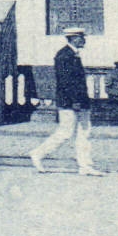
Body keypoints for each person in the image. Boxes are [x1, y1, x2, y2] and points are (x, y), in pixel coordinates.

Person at [30, 27, 107, 175]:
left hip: (79, 101)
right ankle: (38, 154)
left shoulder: (73, 54)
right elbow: (66, 82)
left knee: (84, 132)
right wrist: (75, 101)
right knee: (66, 132)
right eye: (81, 37)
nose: (84, 40)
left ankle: (85, 165)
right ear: (74, 38)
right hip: (70, 102)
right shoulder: (64, 56)